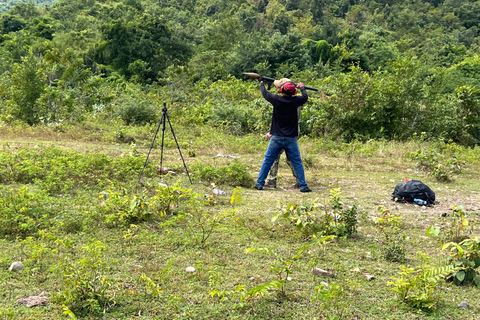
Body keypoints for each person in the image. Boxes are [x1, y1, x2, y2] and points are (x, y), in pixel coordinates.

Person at [255, 77, 311, 193]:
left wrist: (261, 83)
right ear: (294, 92)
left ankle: (259, 184)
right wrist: (302, 87)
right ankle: (303, 186)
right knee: (297, 162)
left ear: (281, 90)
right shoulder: (296, 101)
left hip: (276, 137)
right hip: (291, 139)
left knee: (268, 161)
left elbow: (265, 93)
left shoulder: (276, 100)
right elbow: (305, 97)